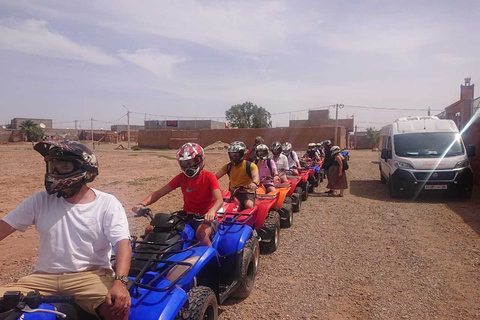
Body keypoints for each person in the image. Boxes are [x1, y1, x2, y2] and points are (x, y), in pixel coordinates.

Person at [0, 141, 131, 320]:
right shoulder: (40, 200)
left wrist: (120, 282)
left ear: (84, 169)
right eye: (52, 166)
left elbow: (122, 243)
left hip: (89, 276)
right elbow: (4, 227)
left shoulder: (107, 203)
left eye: (63, 166)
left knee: (117, 310)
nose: (54, 172)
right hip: (44, 278)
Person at [132, 143, 223, 247]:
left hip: (206, 218)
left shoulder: (209, 177)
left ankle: (212, 259)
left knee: (201, 234)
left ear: (200, 159)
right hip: (186, 216)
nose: (188, 166)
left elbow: (219, 200)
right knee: (151, 229)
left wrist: (211, 211)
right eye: (184, 163)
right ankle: (144, 257)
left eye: (192, 162)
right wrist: (142, 204)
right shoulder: (181, 178)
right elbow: (159, 193)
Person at [216, 141, 260, 210]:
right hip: (233, 193)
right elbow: (215, 177)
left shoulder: (250, 165)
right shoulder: (228, 167)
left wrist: (254, 183)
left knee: (248, 205)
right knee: (221, 207)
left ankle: (251, 220)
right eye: (232, 154)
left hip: (247, 193)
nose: (234, 157)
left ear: (242, 154)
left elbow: (255, 176)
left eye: (236, 155)